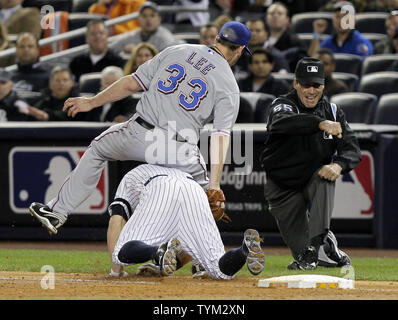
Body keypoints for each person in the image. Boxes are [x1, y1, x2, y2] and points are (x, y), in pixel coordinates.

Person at [29, 21, 252, 237]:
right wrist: (213, 183)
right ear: (241, 49)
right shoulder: (229, 85)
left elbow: (131, 83)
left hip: (137, 132)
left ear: (216, 38)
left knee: (97, 149)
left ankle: (57, 211)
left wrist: (91, 102)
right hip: (178, 149)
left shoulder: (178, 49)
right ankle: (196, 256)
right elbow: (220, 136)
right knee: (207, 201)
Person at [260, 57, 361, 270]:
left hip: (312, 179)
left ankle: (317, 244)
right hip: (282, 187)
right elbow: (282, 124)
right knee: (304, 256)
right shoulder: (283, 104)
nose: (311, 90)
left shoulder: (333, 112)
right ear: (296, 83)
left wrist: (339, 165)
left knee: (324, 176)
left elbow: (352, 149)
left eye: (317, 85)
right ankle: (325, 246)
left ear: (324, 85)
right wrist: (319, 124)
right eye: (306, 84)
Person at [111, 164, 265, 279]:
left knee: (120, 253)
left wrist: (115, 272)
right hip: (194, 188)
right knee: (219, 271)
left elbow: (117, 219)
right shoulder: (187, 164)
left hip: (159, 187)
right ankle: (244, 250)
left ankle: (157, 252)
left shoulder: (134, 174)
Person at [110, 2, 179, 58]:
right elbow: (110, 50)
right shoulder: (132, 35)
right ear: (138, 19)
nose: (148, 19)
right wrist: (122, 53)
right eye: (144, 16)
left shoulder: (165, 38)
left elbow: (167, 61)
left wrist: (136, 53)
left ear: (159, 19)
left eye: (152, 15)